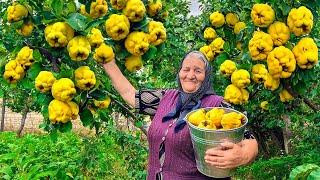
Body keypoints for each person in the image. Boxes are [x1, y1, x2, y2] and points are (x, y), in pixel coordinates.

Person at [102, 51, 258, 180]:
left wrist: (242, 155)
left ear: (207, 76)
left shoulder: (216, 106)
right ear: (179, 72)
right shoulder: (165, 97)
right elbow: (130, 94)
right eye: (186, 69)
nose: (190, 75)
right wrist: (107, 62)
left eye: (198, 71)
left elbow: (249, 138)